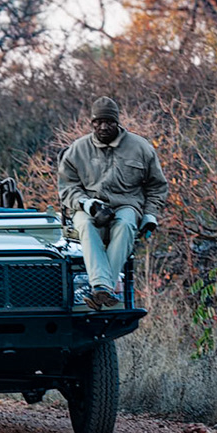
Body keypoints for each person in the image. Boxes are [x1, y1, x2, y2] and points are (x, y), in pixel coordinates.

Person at [55, 97, 168, 310]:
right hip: (87, 206)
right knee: (86, 226)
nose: (104, 127)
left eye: (109, 122)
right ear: (92, 123)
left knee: (125, 225)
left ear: (117, 122)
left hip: (126, 204)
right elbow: (67, 188)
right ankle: (104, 288)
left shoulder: (140, 147)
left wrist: (150, 215)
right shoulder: (77, 149)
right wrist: (89, 205)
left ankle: (100, 288)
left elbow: (157, 186)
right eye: (98, 122)